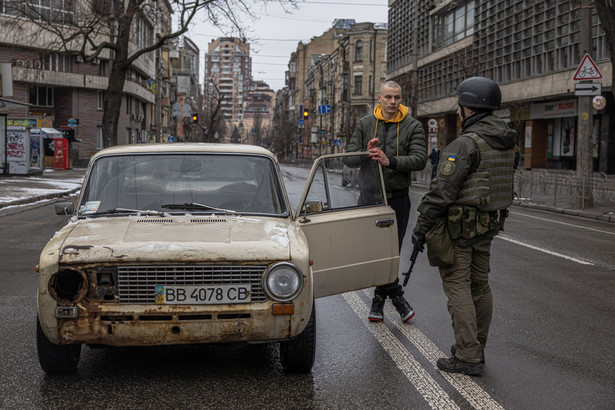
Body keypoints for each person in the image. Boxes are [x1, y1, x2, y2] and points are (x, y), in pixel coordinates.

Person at [412, 76, 518, 375]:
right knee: (480, 286)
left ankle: (467, 355)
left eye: (460, 105)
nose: (458, 110)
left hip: (460, 229)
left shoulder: (466, 143)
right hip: (487, 226)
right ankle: (476, 347)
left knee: (458, 286)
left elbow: (441, 191)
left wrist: (421, 227)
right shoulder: (507, 141)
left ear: (468, 108)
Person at [347, 80, 427, 323]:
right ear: (379, 99)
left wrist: (390, 161)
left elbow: (420, 159)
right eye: (389, 97)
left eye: (398, 97)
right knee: (373, 252)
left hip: (397, 198)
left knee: (391, 252)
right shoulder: (365, 123)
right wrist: (366, 152)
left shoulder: (413, 125)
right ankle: (396, 296)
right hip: (370, 198)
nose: (393, 102)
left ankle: (378, 300)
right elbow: (349, 159)